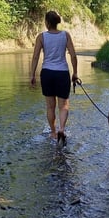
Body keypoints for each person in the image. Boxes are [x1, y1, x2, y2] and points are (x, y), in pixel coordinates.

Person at [30, 10, 79, 147]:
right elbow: (73, 55)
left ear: (46, 22)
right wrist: (75, 73)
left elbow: (35, 57)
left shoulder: (41, 37)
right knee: (64, 105)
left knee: (50, 106)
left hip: (47, 73)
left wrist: (32, 74)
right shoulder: (65, 35)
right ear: (57, 22)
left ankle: (53, 132)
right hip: (62, 73)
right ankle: (62, 129)